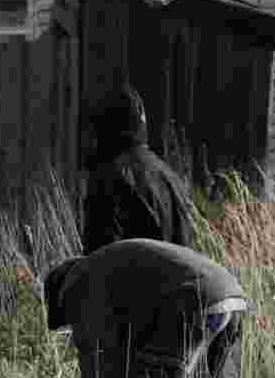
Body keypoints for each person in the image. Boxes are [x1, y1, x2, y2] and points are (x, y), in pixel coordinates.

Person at [42, 238, 248, 378]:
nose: (73, 327)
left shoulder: (78, 285)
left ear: (60, 299)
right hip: (232, 295)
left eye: (69, 322)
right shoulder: (107, 268)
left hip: (191, 300)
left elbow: (97, 365)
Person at [82, 84, 195, 255]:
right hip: (178, 281)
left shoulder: (108, 179)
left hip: (131, 280)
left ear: (104, 128)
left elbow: (98, 261)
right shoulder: (172, 179)